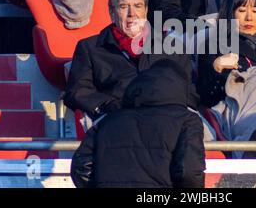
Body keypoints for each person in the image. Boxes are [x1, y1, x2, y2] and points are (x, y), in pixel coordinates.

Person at [64, 0, 198, 124]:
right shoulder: (90, 48)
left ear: (146, 11)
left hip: (167, 119)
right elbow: (77, 91)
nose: (131, 14)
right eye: (123, 7)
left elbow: (189, 91)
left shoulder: (173, 46)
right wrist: (107, 106)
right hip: (117, 119)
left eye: (137, 6)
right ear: (111, 13)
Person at [70, 59, 205, 188]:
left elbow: (82, 167)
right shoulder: (187, 120)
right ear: (181, 89)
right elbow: (189, 171)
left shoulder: (107, 120)